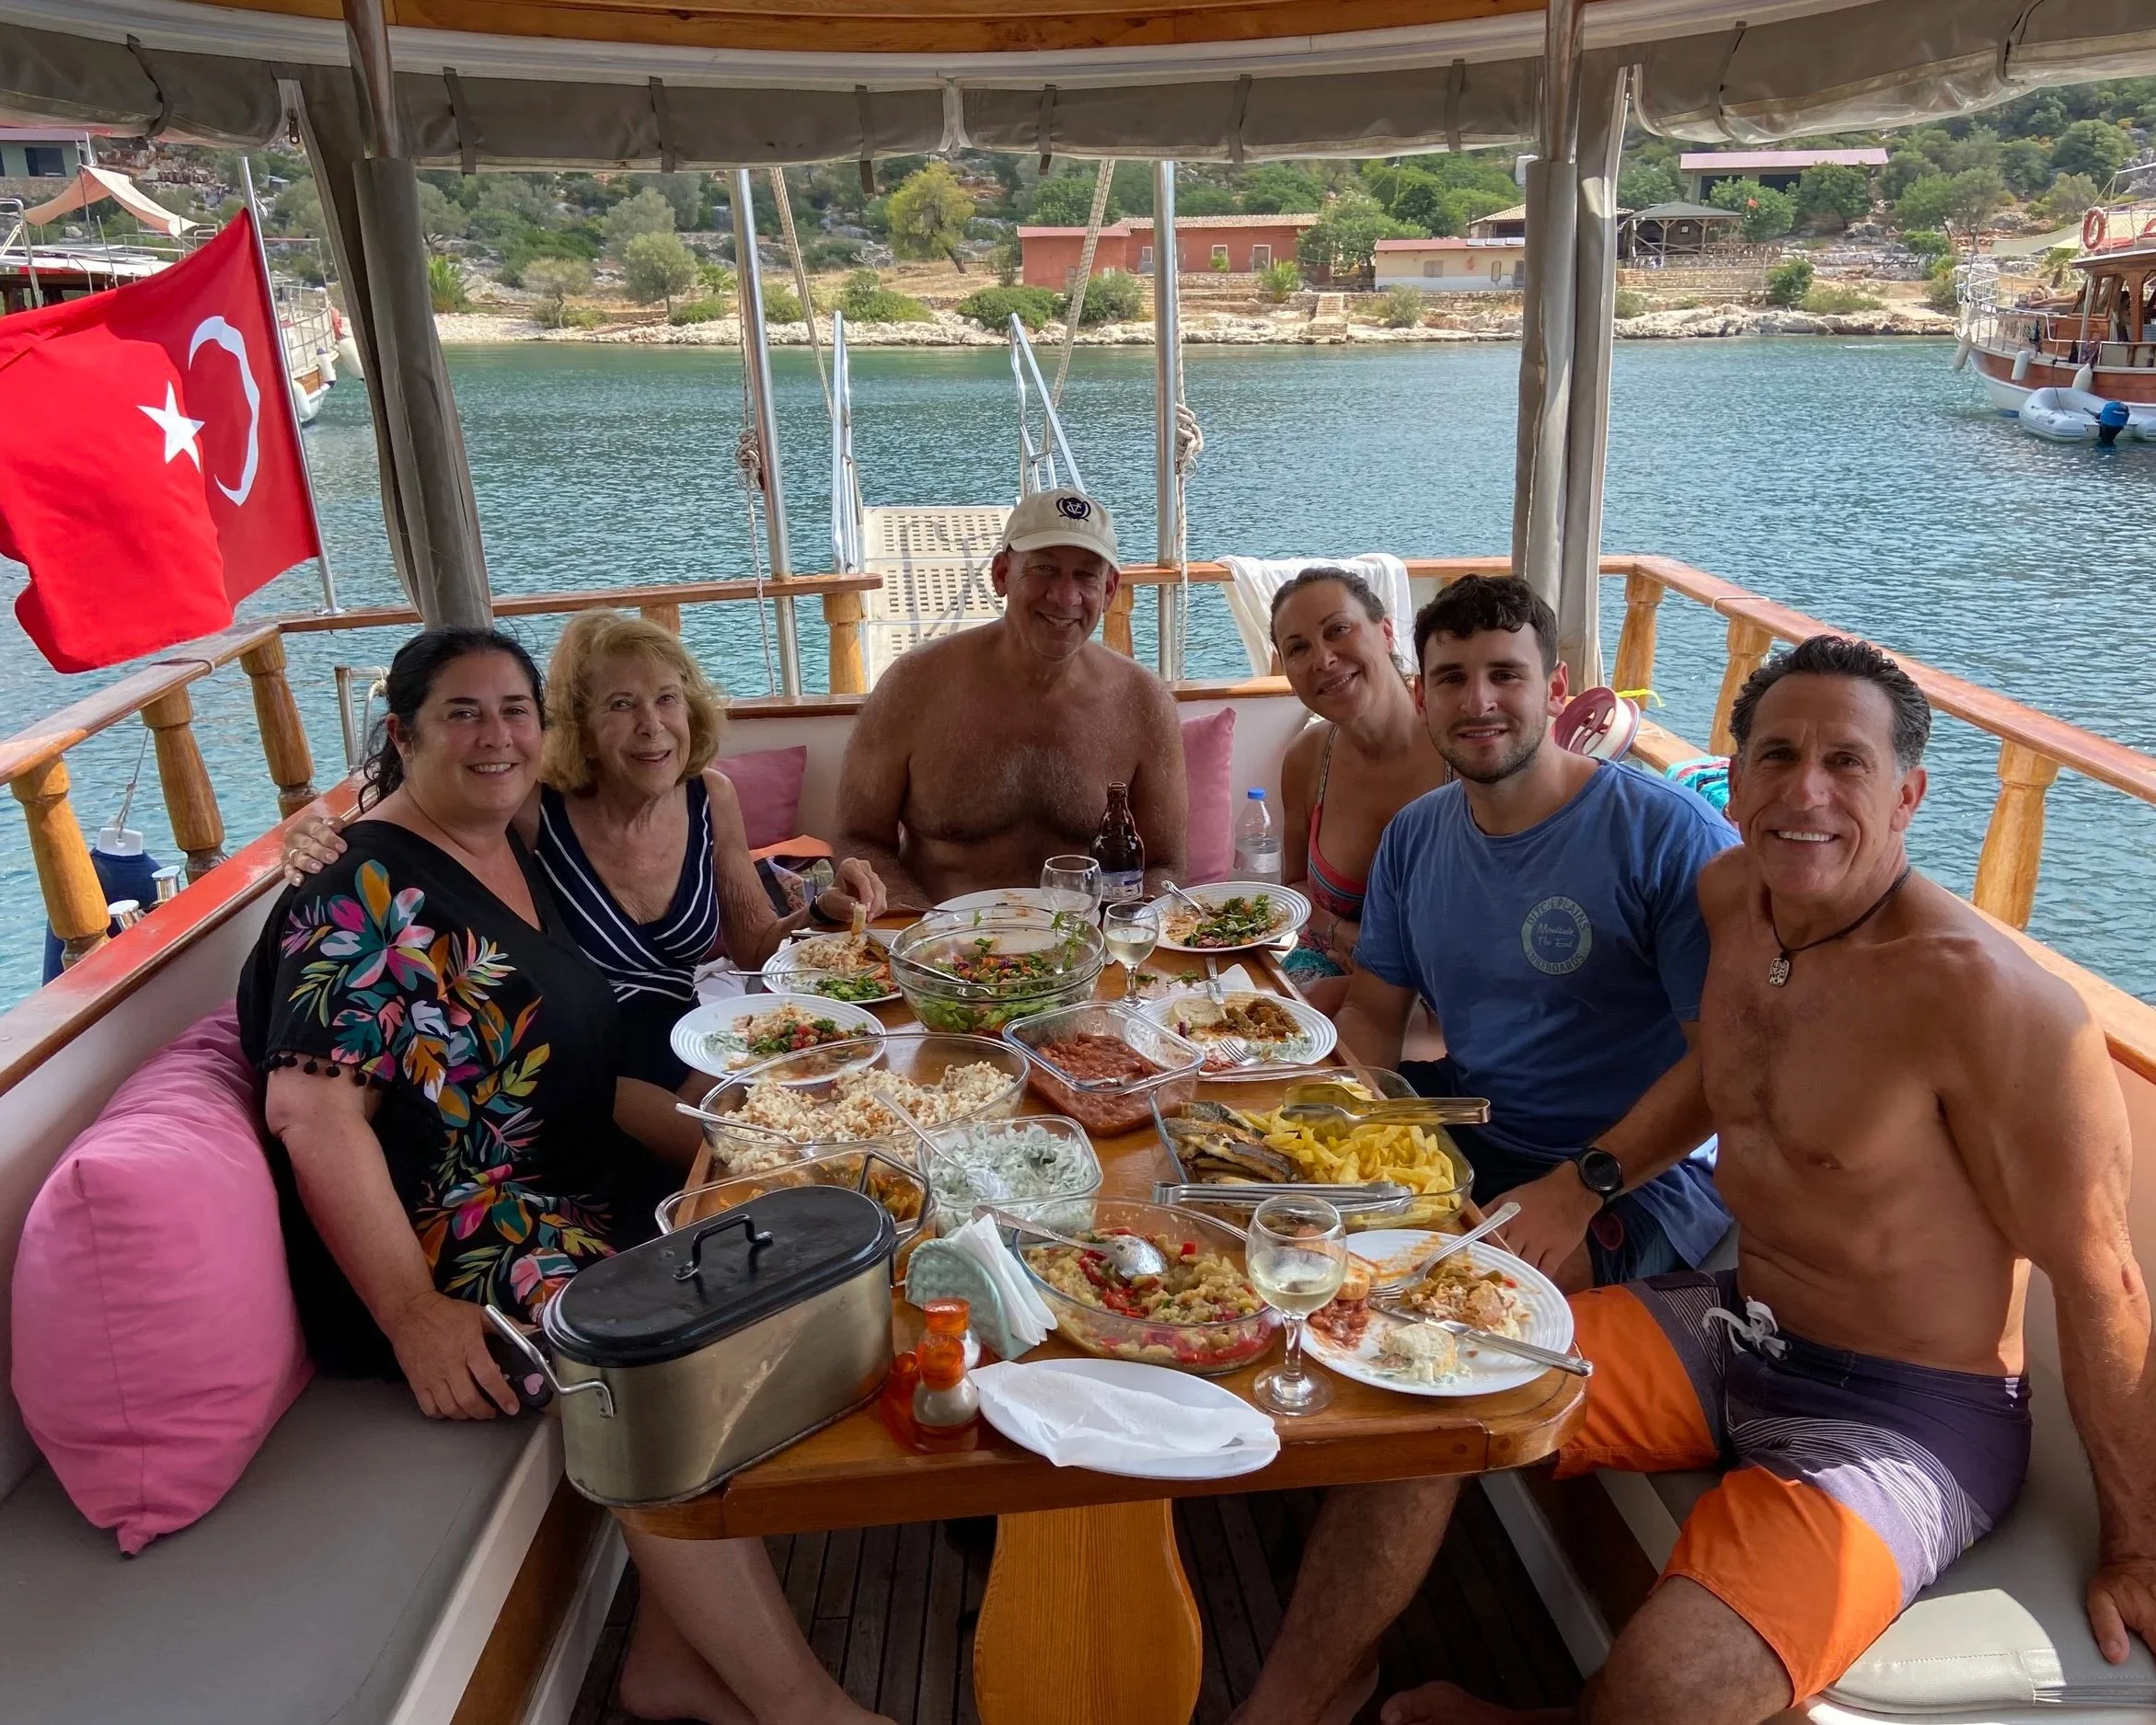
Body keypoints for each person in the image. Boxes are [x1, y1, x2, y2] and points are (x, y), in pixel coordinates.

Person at [1262, 634, 2156, 1725]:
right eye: (1777, 756)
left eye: (1847, 762)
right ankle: (1295, 1702)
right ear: (1735, 779)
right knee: (1414, 1388)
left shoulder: (1996, 1007)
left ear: (1910, 795)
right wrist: (1584, 1180)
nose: (1806, 792)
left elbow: (2105, 1284)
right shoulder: (1736, 899)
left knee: (1668, 1691)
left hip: (1906, 1414)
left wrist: (2141, 1549)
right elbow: (1720, 1075)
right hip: (1738, 1327)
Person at [241, 627, 892, 1725]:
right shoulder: (363, 884)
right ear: (403, 733)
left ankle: (668, 1664)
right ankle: (804, 1710)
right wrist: (411, 1313)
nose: (495, 736)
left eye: (515, 711)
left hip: (570, 1178)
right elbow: (311, 1112)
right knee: (657, 1362)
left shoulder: (503, 838)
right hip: (460, 1228)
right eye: (462, 713)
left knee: (799, 1251)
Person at [282, 611, 887, 1095]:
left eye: (667, 699)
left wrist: (824, 911)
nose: (651, 724)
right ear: (580, 728)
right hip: (580, 1076)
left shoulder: (710, 796)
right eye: (621, 705)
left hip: (692, 1049)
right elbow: (432, 813)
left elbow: (755, 946)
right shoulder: (531, 807)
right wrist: (322, 833)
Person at [1335, 574, 1735, 1291]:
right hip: (1473, 1120)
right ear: (1421, 697)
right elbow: (1370, 1013)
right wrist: (1352, 1148)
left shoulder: (1668, 835)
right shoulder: (1413, 836)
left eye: (1504, 674)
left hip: (1635, 1171)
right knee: (1287, 1215)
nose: (1477, 700)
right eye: (1451, 678)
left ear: (1554, 689)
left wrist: (1578, 1187)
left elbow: (1725, 1061)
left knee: (1473, 1299)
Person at [836, 487, 1188, 907]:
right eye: (1044, 569)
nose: (1065, 597)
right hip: (939, 938)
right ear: (1002, 574)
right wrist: (922, 928)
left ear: (1110, 589)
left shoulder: (1142, 701)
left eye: (1086, 575)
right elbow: (859, 839)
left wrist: (1125, 933)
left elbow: (1164, 864)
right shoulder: (913, 686)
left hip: (1089, 941)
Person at [1271, 566, 1449, 1014]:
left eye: (1338, 630)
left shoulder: (1461, 746)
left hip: (1448, 984)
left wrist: (1376, 974)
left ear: (1386, 632)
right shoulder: (1308, 758)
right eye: (1298, 648)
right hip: (1329, 962)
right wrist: (1342, 935)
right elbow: (1294, 886)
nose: (1323, 659)